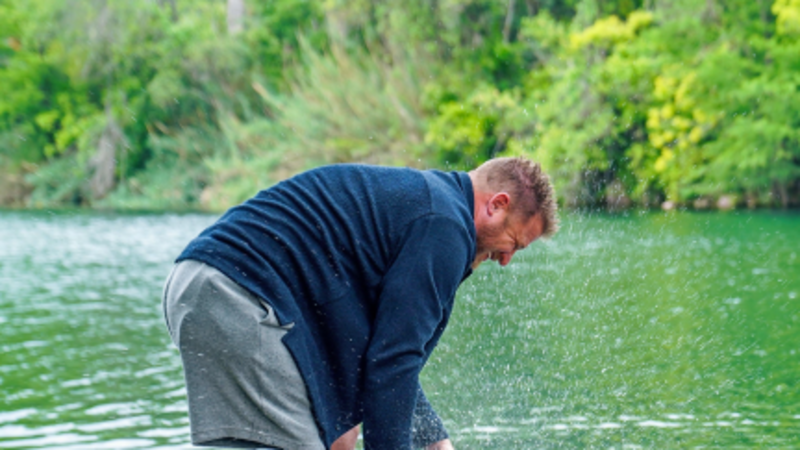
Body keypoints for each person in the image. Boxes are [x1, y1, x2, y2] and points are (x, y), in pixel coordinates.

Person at [162, 156, 559, 450]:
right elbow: (393, 362)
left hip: (208, 285)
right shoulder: (445, 225)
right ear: (497, 204)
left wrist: (435, 441)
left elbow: (380, 360)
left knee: (334, 435)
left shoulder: (430, 208)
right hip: (240, 292)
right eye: (514, 243)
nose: (506, 260)